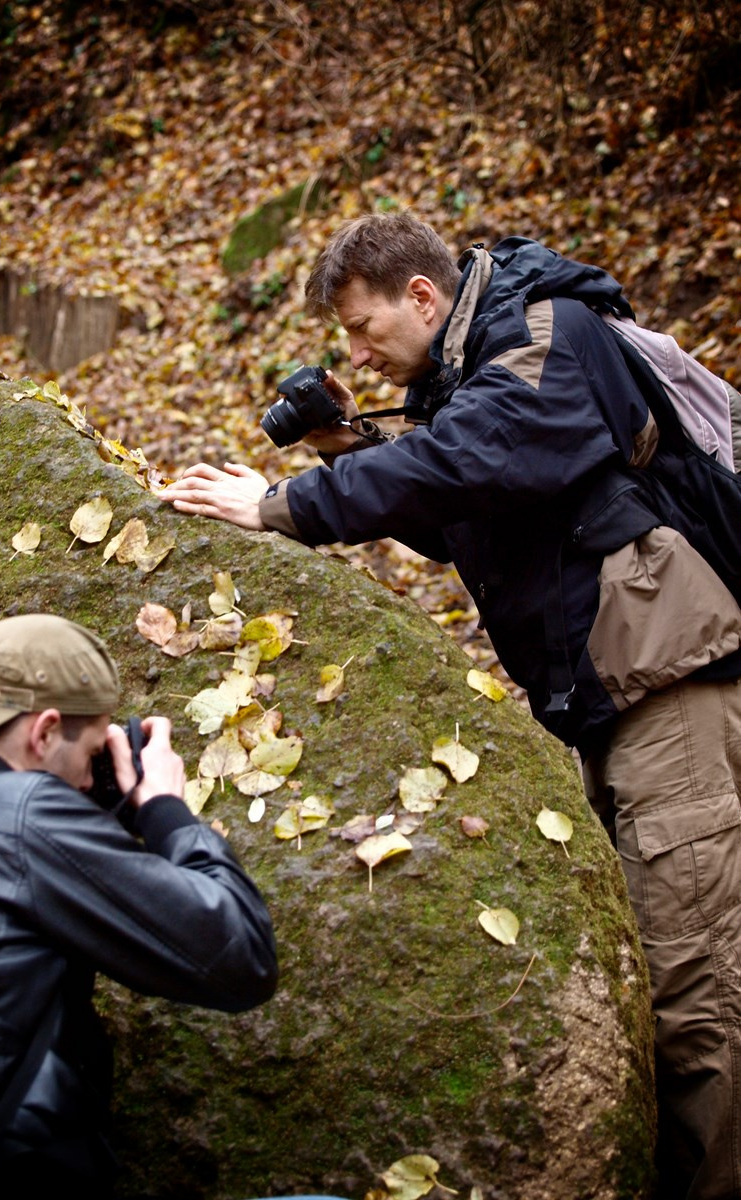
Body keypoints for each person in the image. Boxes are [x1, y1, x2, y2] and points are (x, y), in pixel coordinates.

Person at [159, 211, 741, 1200]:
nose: (355, 354)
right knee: (663, 978)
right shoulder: (478, 375)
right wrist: (348, 444)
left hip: (675, 698)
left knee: (698, 997)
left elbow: (464, 464)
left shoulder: (547, 331)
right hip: (619, 703)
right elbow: (467, 511)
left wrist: (280, 502)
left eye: (361, 330)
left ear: (421, 297)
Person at [0, 613, 278, 1196]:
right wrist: (164, 808)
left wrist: (97, 812)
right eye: (93, 749)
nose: (83, 780)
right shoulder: (22, 814)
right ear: (44, 732)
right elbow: (240, 957)